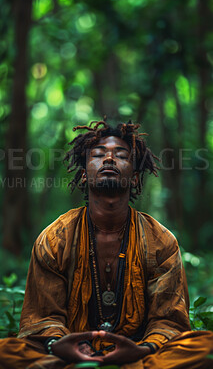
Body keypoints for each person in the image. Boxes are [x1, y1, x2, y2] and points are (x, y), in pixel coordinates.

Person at [0, 120, 212, 369]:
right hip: (68, 355)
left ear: (134, 178)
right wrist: (59, 345)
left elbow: (168, 321)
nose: (109, 160)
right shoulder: (55, 238)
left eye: (121, 155)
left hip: (138, 354)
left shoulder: (160, 240)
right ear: (83, 174)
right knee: (6, 351)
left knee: (205, 345)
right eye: (99, 155)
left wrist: (141, 349)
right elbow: (43, 318)